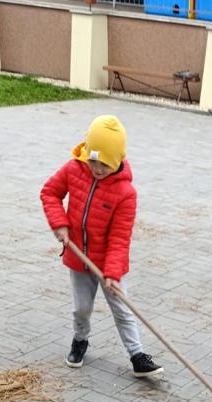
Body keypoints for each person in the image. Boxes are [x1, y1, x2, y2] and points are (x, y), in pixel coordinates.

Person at [41, 114, 163, 377]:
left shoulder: (126, 193)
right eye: (93, 161)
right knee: (81, 308)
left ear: (117, 161)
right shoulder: (74, 169)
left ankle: (137, 355)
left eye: (104, 164)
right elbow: (49, 192)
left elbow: (120, 237)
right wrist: (60, 224)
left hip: (108, 261)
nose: (97, 168)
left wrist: (112, 272)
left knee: (122, 309)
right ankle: (80, 340)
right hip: (78, 257)